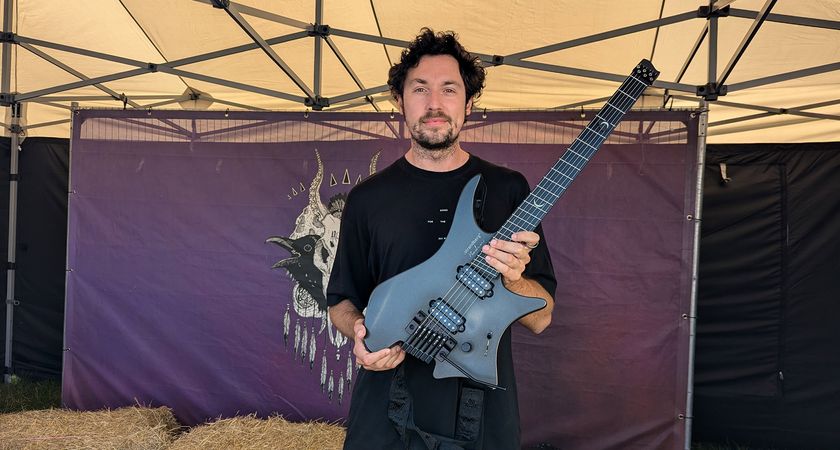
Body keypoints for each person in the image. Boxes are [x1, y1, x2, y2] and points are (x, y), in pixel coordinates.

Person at [327, 28, 556, 450]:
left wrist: (513, 281)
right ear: (400, 102)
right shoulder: (366, 199)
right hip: (384, 410)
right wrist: (360, 334)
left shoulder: (508, 189)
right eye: (420, 89)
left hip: (480, 411)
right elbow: (341, 301)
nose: (434, 104)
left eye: (449, 89)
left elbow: (541, 317)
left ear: (468, 104)